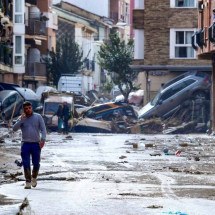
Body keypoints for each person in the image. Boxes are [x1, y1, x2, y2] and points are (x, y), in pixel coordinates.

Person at [13, 101, 47, 189]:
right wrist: (21, 120)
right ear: (23, 110)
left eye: (29, 108)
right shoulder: (21, 118)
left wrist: (43, 139)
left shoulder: (38, 117)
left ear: (31, 108)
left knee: (36, 163)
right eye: (26, 109)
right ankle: (28, 181)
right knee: (26, 163)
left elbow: (43, 129)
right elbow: (14, 129)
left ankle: (34, 178)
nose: (28, 110)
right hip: (25, 144)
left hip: (36, 144)